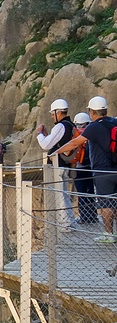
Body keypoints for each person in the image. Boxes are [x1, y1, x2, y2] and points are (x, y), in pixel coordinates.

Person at [55, 96, 117, 243]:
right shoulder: (114, 122)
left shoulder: (93, 127)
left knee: (106, 203)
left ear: (92, 112)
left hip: (103, 171)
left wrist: (56, 152)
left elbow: (76, 143)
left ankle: (109, 234)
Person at [35, 98, 76, 227]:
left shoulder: (60, 126)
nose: (52, 117)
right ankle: (70, 221)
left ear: (58, 112)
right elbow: (57, 142)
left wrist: (40, 133)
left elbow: (46, 145)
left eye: (53, 114)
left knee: (60, 196)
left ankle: (65, 224)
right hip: (65, 163)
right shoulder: (70, 125)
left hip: (59, 165)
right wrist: (47, 134)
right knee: (64, 194)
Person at [70, 112, 98, 224]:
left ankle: (85, 217)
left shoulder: (76, 137)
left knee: (82, 194)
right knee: (90, 192)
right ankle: (92, 216)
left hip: (78, 169)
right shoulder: (92, 135)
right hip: (90, 168)